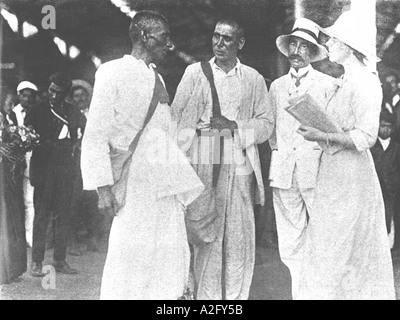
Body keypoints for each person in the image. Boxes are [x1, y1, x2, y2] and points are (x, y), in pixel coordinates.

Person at [81, 10, 204, 300]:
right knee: (131, 254)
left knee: (169, 253)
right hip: (133, 183)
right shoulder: (110, 72)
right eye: (164, 38)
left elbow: (167, 133)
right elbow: (95, 135)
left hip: (165, 182)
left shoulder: (157, 78)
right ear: (145, 36)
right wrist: (102, 189)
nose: (169, 45)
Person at [172, 18, 274, 300]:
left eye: (227, 39)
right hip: (203, 157)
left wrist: (236, 126)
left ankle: (235, 299)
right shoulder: (195, 73)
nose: (219, 43)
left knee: (238, 236)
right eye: (216, 36)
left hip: (240, 162)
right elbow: (176, 118)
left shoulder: (252, 78)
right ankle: (205, 298)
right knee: (205, 231)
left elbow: (267, 124)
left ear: (240, 43)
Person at [296, 10, 395, 299]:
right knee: (329, 241)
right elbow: (340, 126)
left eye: (334, 41)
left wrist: (322, 135)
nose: (328, 45)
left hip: (351, 176)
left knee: (343, 243)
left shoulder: (365, 83)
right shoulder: (344, 81)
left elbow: (366, 136)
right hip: (334, 171)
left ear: (349, 46)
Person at [268, 17, 336, 299]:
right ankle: (300, 293)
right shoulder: (276, 87)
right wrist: (282, 154)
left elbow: (332, 129)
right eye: (293, 44)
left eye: (303, 46)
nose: (296, 50)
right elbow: (272, 132)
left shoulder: (328, 85)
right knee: (290, 240)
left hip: (317, 171)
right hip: (284, 172)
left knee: (323, 235)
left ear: (312, 52)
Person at [25, 72, 83, 277]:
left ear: (65, 93)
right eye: (51, 90)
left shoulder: (73, 111)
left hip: (65, 170)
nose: (53, 95)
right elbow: (27, 136)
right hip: (44, 170)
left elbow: (83, 132)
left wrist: (75, 145)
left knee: (63, 216)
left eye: (58, 92)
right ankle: (36, 262)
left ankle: (60, 259)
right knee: (41, 217)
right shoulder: (36, 110)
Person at [0, 88, 27, 285]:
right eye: (9, 103)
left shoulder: (8, 119)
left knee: (11, 216)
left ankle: (12, 268)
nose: (11, 107)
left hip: (9, 172)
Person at [13, 81, 38, 248]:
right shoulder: (11, 113)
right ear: (18, 95)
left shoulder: (35, 113)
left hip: (29, 161)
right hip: (13, 161)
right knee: (14, 200)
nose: (26, 99)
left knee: (29, 200)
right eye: (24, 95)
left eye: (30, 96)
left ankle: (29, 235)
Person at [370, 110, 400, 235]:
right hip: (373, 187)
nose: (386, 130)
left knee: (388, 215)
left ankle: (389, 246)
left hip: (390, 189)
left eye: (389, 127)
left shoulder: (396, 147)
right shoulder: (371, 145)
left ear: (393, 129)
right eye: (383, 126)